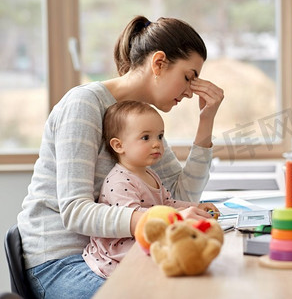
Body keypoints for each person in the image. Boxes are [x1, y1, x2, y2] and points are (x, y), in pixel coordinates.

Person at [17, 15, 224, 298]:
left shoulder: (140, 120)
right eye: (188, 77)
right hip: (61, 260)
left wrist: (206, 122)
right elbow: (75, 212)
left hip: (114, 255)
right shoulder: (84, 105)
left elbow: (181, 194)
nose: (190, 92)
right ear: (159, 63)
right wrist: (164, 218)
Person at [83, 100, 216, 278]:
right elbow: (133, 218)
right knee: (174, 250)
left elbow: (167, 203)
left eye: (160, 136)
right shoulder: (119, 181)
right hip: (119, 247)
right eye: (146, 137)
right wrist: (178, 218)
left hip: (145, 233)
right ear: (118, 145)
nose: (157, 144)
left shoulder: (150, 174)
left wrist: (194, 207)